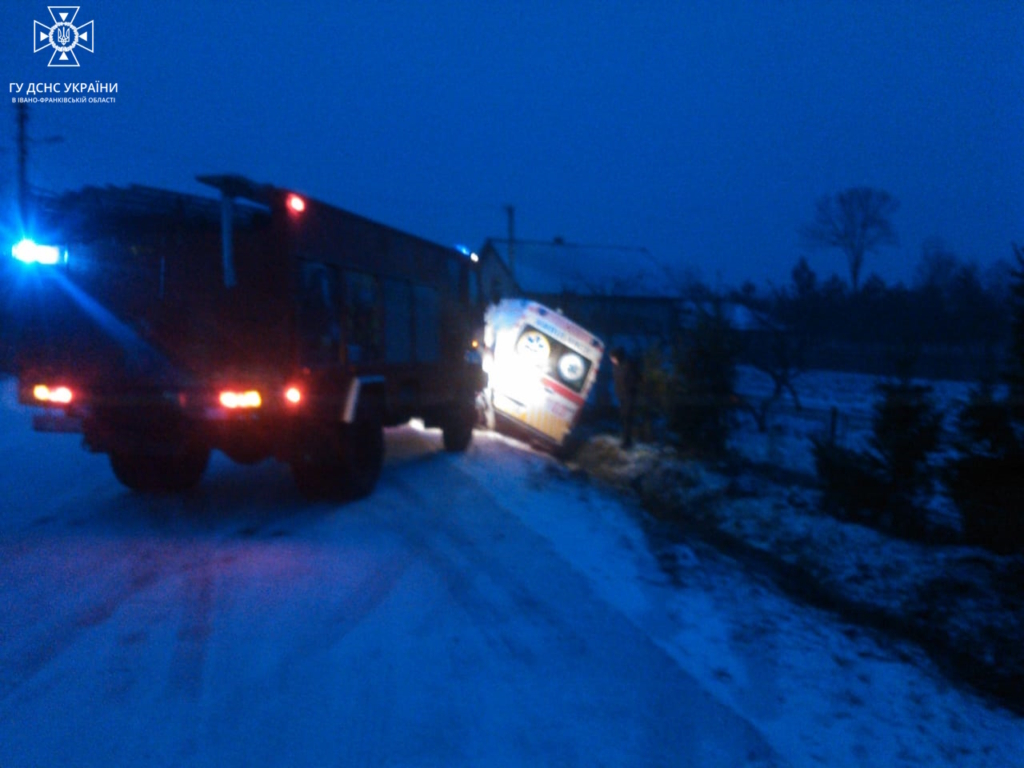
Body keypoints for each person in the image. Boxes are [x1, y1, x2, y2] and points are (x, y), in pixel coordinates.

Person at [609, 347, 641, 449]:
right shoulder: (616, 366)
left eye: (612, 358)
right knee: (623, 418)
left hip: (628, 395)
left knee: (627, 418)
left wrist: (629, 389)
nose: (611, 360)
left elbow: (633, 379)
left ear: (617, 357)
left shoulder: (627, 365)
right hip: (621, 396)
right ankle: (624, 438)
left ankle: (627, 441)